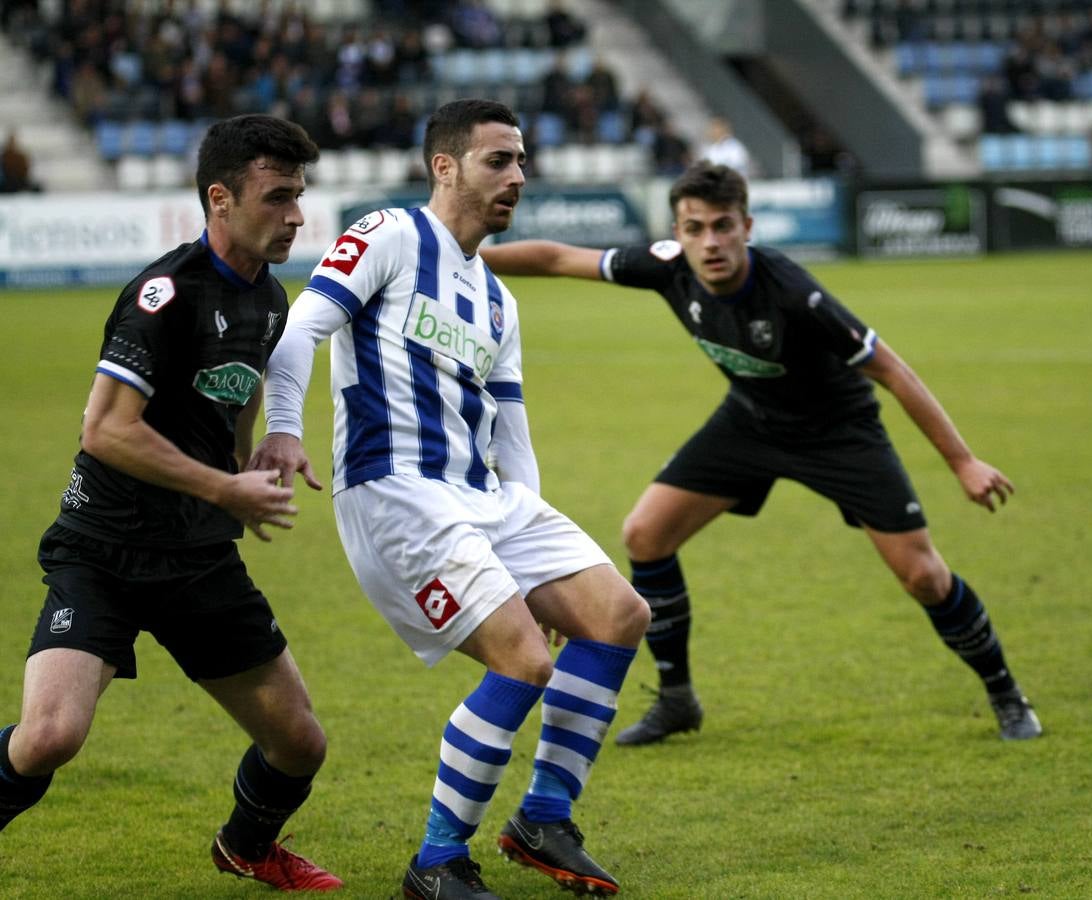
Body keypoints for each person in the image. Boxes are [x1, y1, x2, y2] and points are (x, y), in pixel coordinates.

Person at [480, 161, 1043, 747]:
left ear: (747, 226)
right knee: (646, 534)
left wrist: (962, 462)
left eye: (723, 226)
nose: (710, 242)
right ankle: (677, 700)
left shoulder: (794, 292)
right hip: (750, 423)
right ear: (677, 230)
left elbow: (894, 372)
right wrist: (458, 255)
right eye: (694, 228)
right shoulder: (666, 268)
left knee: (924, 576)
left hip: (840, 435)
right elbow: (554, 259)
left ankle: (1006, 693)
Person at [249, 98, 649, 899]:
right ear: (445, 166)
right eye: (499, 160)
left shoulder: (498, 298)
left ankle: (544, 817)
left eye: (522, 161)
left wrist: (528, 544)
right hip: (395, 492)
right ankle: (436, 860)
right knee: (524, 660)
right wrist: (285, 428)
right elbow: (302, 329)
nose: (517, 177)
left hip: (485, 499)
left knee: (619, 614)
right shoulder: (389, 234)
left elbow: (513, 433)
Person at [0, 114, 343, 891]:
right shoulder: (165, 295)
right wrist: (225, 487)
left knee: (299, 744)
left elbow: (237, 402)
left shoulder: (269, 300)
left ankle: (245, 846)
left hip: (196, 558)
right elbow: (105, 431)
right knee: (49, 737)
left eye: (300, 196)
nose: (296, 215)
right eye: (277, 197)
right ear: (220, 199)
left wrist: (262, 451)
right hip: (105, 549)